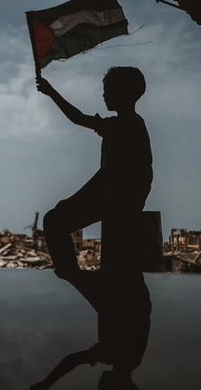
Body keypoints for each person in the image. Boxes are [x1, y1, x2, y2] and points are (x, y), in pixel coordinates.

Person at [36, 66, 153, 276]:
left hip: (119, 200)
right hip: (119, 198)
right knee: (55, 219)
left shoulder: (127, 127)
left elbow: (110, 174)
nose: (104, 95)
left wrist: (75, 199)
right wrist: (51, 92)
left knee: (53, 221)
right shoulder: (120, 125)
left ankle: (73, 276)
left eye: (108, 90)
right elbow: (78, 118)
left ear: (123, 93)